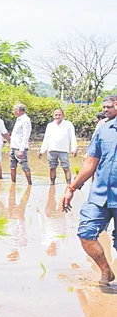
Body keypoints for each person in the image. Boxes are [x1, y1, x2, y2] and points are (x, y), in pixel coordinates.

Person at [62, 95, 117, 285]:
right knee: (86, 233)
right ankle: (106, 271)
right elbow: (90, 162)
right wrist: (72, 188)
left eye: (110, 106)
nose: (106, 109)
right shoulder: (104, 130)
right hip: (100, 194)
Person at [39, 109, 77, 185]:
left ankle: (69, 185)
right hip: (52, 150)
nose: (57, 116)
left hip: (63, 150)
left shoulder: (68, 124)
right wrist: (42, 150)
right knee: (52, 168)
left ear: (63, 115)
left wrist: (73, 149)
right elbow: (46, 138)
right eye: (56, 115)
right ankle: (52, 184)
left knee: (66, 168)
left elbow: (72, 137)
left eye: (59, 115)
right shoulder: (50, 125)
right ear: (53, 116)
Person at [9, 103, 33, 185]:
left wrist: (21, 150)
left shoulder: (26, 120)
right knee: (12, 166)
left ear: (19, 111)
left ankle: (30, 184)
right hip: (13, 147)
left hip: (20, 148)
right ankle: (13, 184)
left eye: (15, 110)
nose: (13, 112)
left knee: (24, 166)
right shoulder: (19, 119)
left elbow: (26, 136)